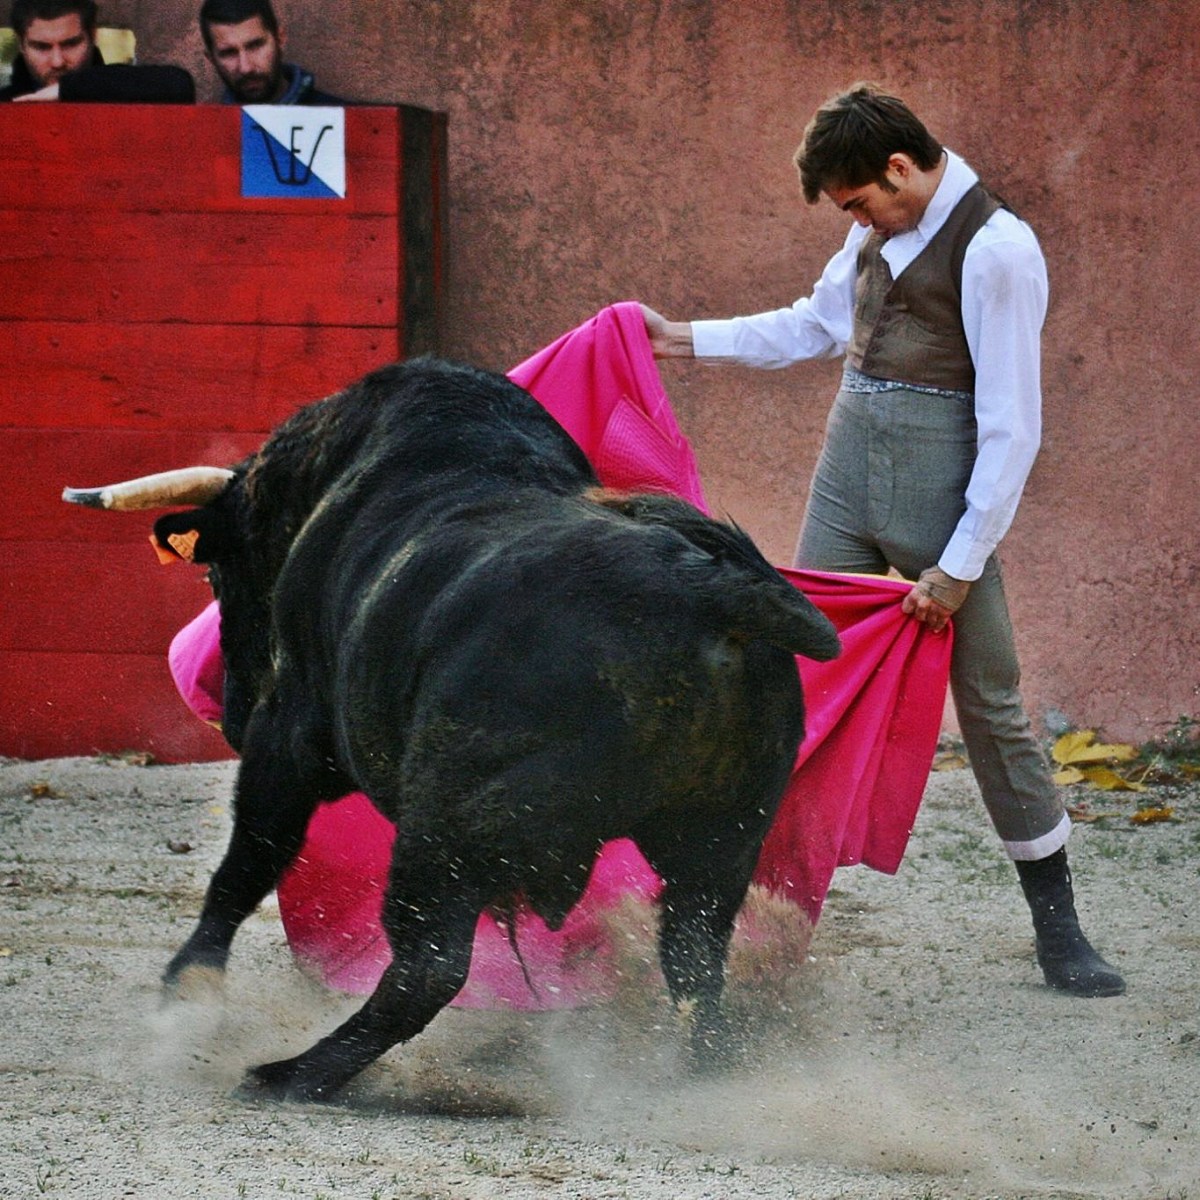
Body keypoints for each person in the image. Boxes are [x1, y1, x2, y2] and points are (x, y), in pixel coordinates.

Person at [642, 82, 1125, 999]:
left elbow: (1013, 427)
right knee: (786, 687)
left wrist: (957, 565)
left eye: (860, 201)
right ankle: (743, 917)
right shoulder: (873, 229)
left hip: (943, 508)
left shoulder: (999, 251)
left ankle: (1059, 930)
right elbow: (811, 327)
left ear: (900, 168)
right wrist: (681, 341)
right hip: (846, 485)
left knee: (991, 705)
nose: (855, 220)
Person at [1, 0, 194, 102]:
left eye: (70, 44)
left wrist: (69, 89)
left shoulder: (124, 91)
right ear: (21, 44)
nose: (57, 61)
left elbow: (178, 85)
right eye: (42, 47)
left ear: (93, 35)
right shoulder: (5, 102)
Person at [198, 0, 346, 106]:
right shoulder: (207, 133)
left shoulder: (341, 121)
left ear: (280, 39)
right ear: (211, 59)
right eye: (229, 53)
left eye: (255, 46)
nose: (245, 68)